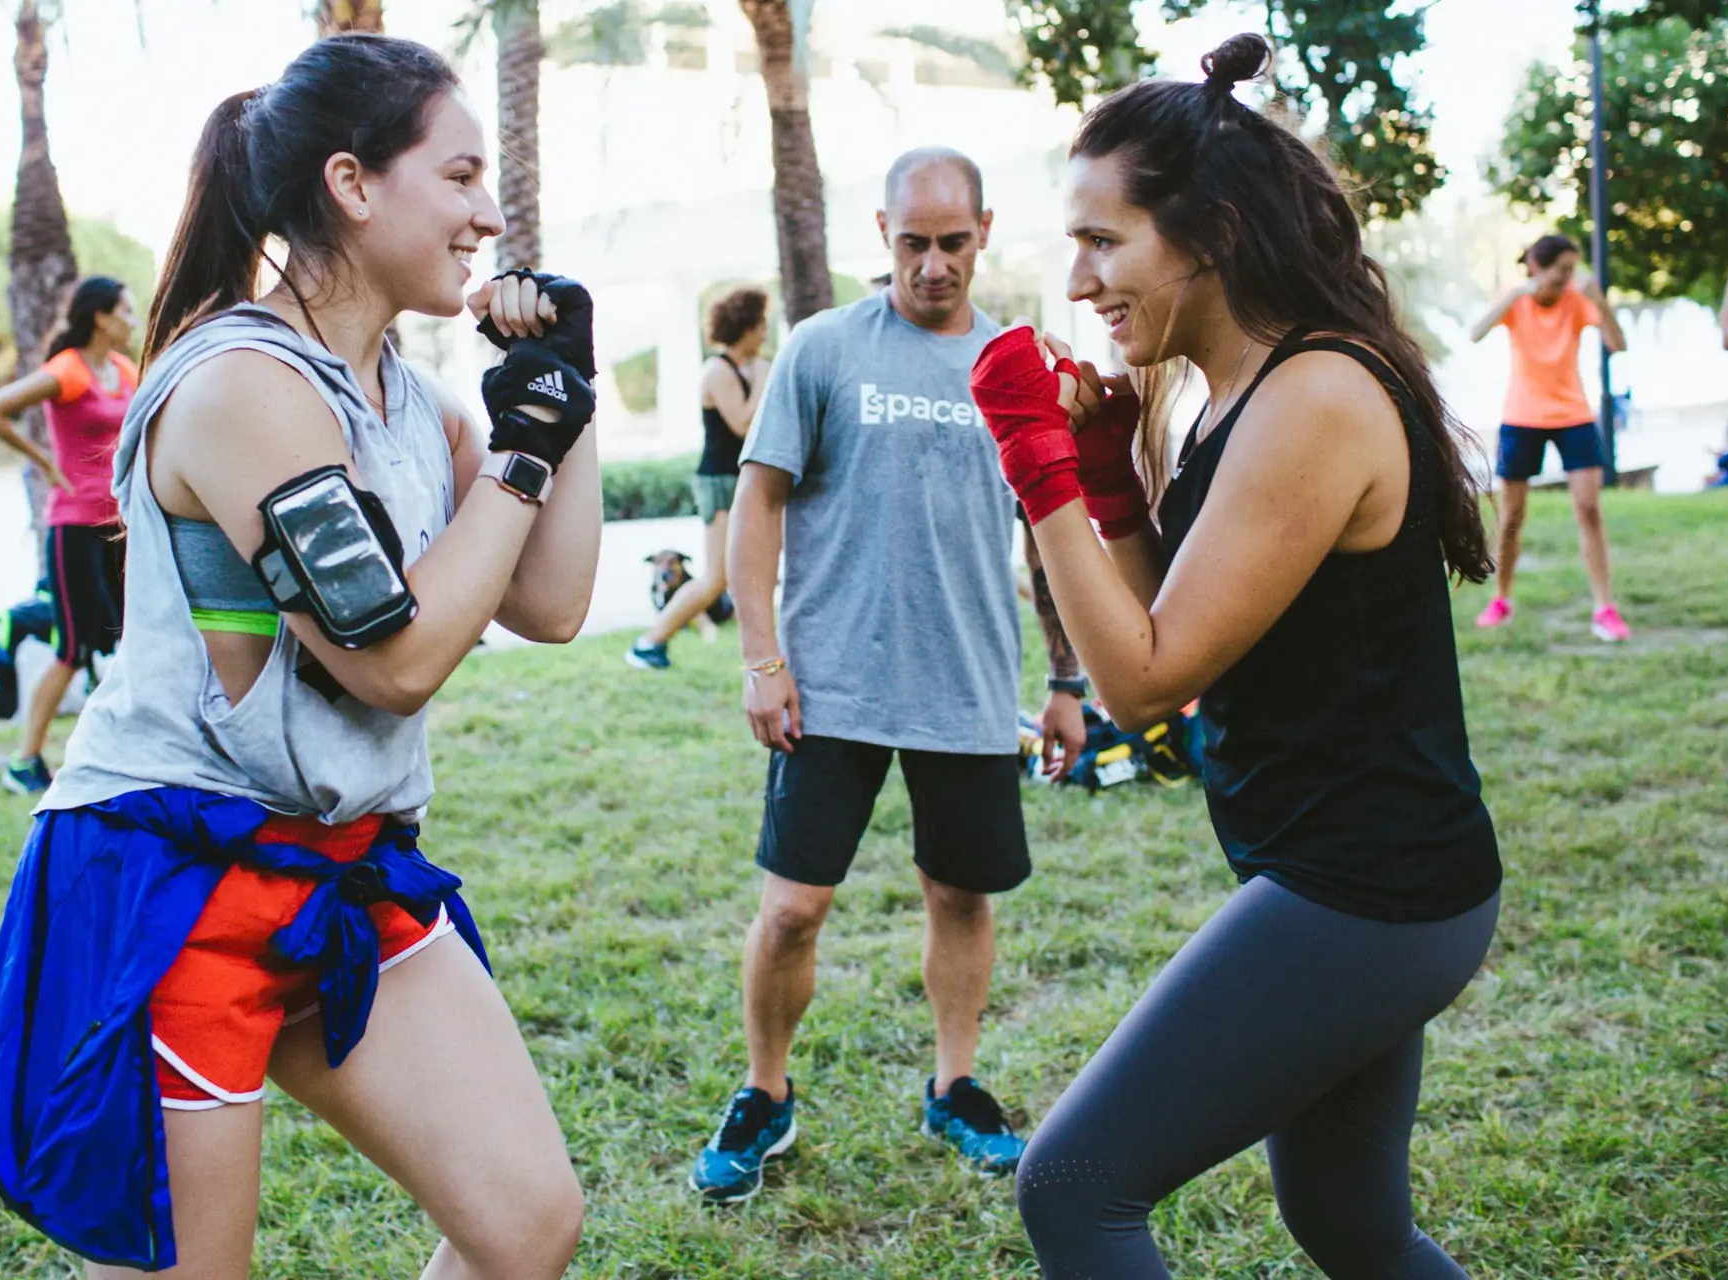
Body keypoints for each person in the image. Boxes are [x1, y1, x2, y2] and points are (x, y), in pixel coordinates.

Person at [0, 35, 600, 1279]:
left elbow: (552, 599)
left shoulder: (411, 403)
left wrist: (561, 394)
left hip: (342, 873)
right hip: (174, 882)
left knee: (526, 1224)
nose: (489, 213)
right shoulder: (240, 384)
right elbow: (395, 662)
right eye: (461, 175)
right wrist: (523, 452)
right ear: (355, 185)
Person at [971, 35, 1502, 1277]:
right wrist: (1103, 479)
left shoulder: (1313, 395)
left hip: (1365, 890)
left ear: (1206, 233)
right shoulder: (1233, 393)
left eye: (1105, 241)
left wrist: (1033, 460)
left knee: (1076, 1187)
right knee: (1349, 1221)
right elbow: (1194, 633)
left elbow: (1141, 680)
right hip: (1353, 871)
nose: (1081, 278)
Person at [686, 146, 1090, 1205]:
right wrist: (760, 658)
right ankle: (765, 1092)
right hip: (833, 685)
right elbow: (758, 505)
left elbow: (1051, 536)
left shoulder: (1016, 365)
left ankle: (956, 1081)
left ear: (985, 232)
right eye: (914, 242)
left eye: (953, 242)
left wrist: (1065, 679)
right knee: (793, 908)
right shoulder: (821, 352)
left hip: (965, 680)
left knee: (962, 892)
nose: (934, 264)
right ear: (883, 234)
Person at [0, 276, 141, 794]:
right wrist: (45, 462)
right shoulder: (67, 370)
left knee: (133, 641)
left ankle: (126, 754)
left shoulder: (125, 371)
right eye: (127, 312)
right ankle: (23, 762)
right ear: (102, 317)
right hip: (73, 528)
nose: (134, 320)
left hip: (119, 525)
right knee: (71, 648)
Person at [1467, 234, 1631, 641]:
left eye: (1573, 270)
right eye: (1563, 269)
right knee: (1511, 519)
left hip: (1573, 415)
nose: (1569, 277)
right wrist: (1517, 293)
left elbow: (1618, 344)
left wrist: (1600, 299)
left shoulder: (1577, 300)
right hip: (1522, 417)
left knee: (1589, 510)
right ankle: (1502, 600)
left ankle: (1604, 608)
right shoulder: (1517, 300)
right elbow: (1475, 333)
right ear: (1539, 267)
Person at [628, 286, 770, 669]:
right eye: (760, 326)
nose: (766, 334)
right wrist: (763, 376)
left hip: (741, 479)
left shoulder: (747, 368)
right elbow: (742, 423)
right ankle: (648, 643)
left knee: (754, 572)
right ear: (745, 327)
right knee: (715, 578)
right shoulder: (718, 371)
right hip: (718, 483)